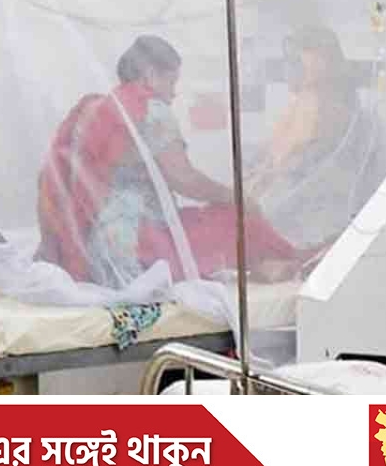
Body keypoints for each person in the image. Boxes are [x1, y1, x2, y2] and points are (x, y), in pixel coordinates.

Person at [37, 35, 318, 290]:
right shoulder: (150, 109)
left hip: (98, 254)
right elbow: (184, 179)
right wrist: (237, 197)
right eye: (172, 82)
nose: (174, 93)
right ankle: (289, 260)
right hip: (141, 253)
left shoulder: (97, 108)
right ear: (150, 75)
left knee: (204, 221)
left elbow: (55, 176)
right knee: (238, 218)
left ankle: (266, 265)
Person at [247, 26, 386, 249]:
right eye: (286, 60)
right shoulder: (301, 102)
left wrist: (259, 186)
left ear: (321, 64)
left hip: (308, 221)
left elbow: (299, 171)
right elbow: (273, 156)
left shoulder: (329, 109)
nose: (287, 69)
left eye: (294, 61)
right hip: (282, 208)